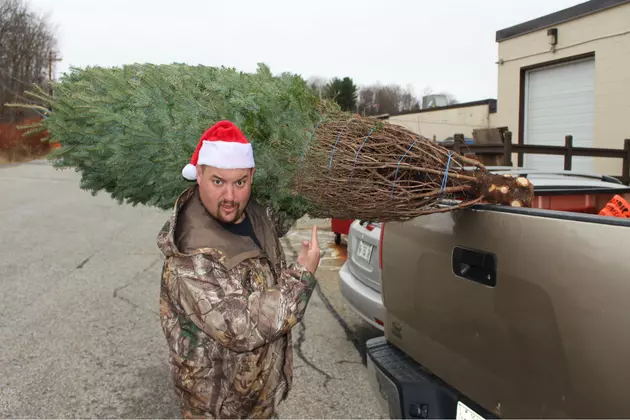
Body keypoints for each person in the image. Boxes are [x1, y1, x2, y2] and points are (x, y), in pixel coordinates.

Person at [157, 120, 321, 419]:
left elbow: (277, 220)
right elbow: (241, 329)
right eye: (218, 181)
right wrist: (301, 275)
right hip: (218, 407)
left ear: (251, 176)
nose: (230, 197)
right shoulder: (192, 257)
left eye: (240, 182)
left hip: (257, 394)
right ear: (199, 175)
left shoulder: (256, 211)